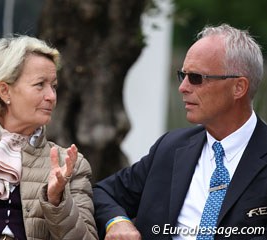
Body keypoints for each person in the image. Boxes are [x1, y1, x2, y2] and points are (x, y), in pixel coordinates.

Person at [93, 23, 267, 240]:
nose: (183, 87)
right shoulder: (170, 147)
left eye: (196, 77)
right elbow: (104, 193)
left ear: (238, 87)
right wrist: (117, 222)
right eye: (182, 75)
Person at [0, 35, 98, 239]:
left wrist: (57, 201)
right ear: (4, 91)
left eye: (53, 86)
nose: (51, 96)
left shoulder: (71, 165)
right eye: (40, 84)